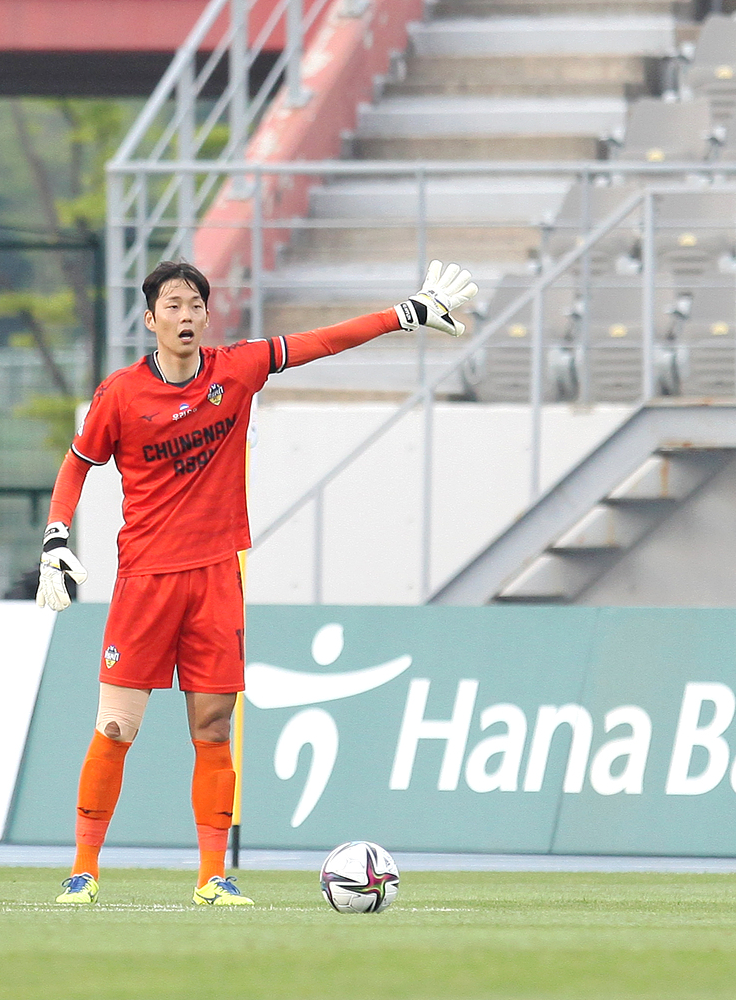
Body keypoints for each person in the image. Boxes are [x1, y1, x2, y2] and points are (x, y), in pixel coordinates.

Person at [36, 258, 476, 905]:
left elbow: (321, 342)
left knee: (214, 728)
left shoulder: (237, 369)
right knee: (116, 729)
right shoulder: (121, 394)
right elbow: (78, 464)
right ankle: (83, 872)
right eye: (173, 306)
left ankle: (212, 878)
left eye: (195, 305)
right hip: (146, 580)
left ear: (205, 315)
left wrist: (402, 315)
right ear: (151, 319)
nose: (186, 316)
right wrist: (55, 536)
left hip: (217, 575)